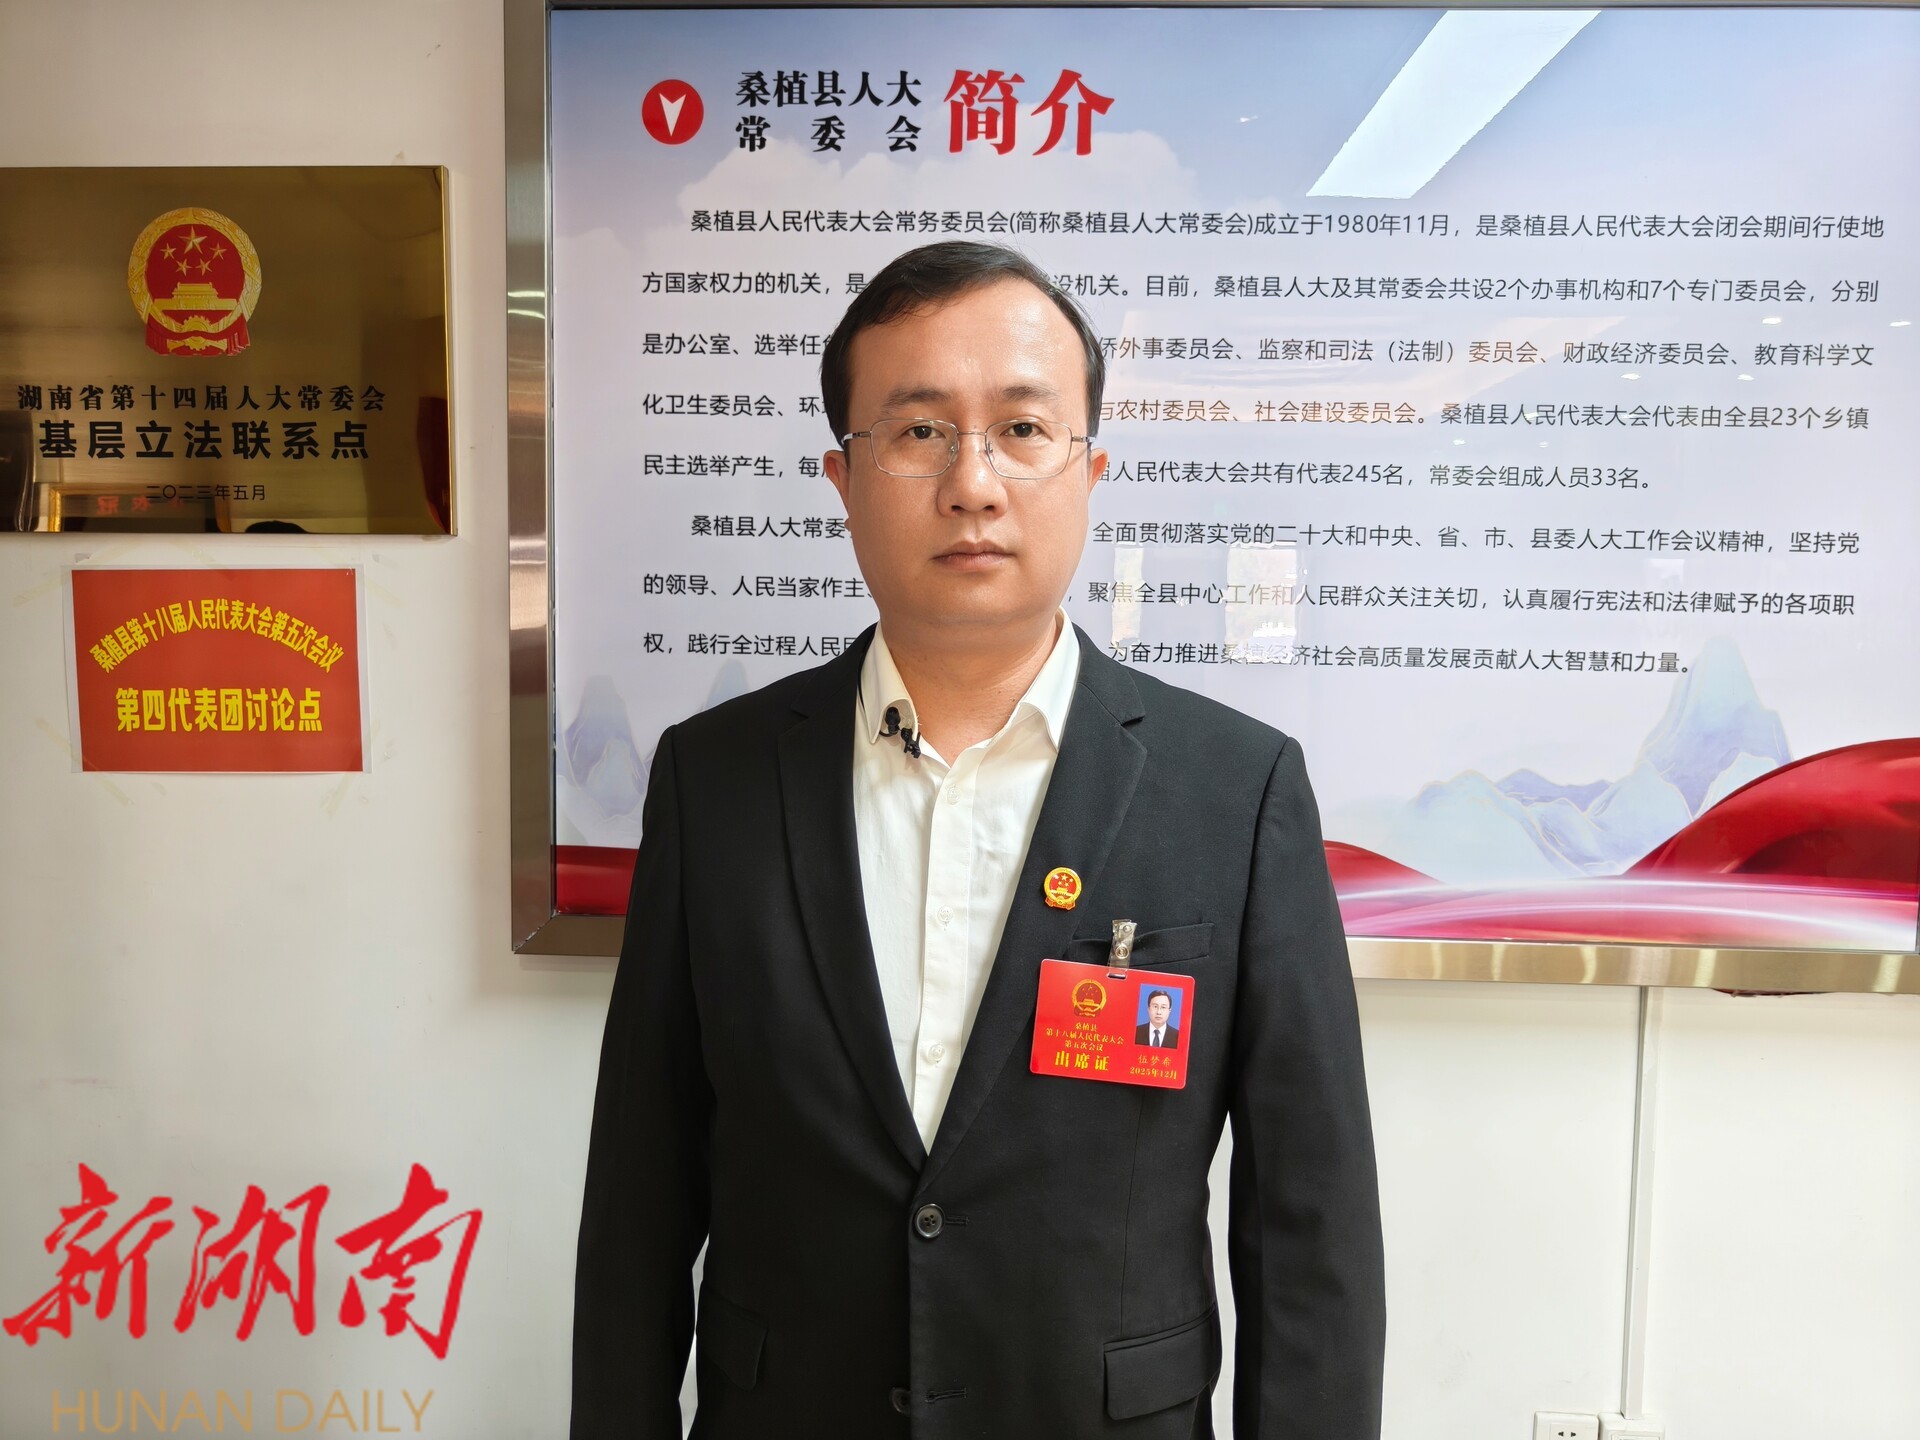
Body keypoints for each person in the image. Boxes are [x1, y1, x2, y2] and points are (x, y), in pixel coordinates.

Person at [572, 241, 1384, 1438]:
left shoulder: (1235, 790)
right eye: (918, 431)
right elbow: (639, 1199)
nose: (974, 482)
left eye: (1022, 429)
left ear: (1089, 469)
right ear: (844, 477)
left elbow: (1309, 1227)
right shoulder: (719, 780)